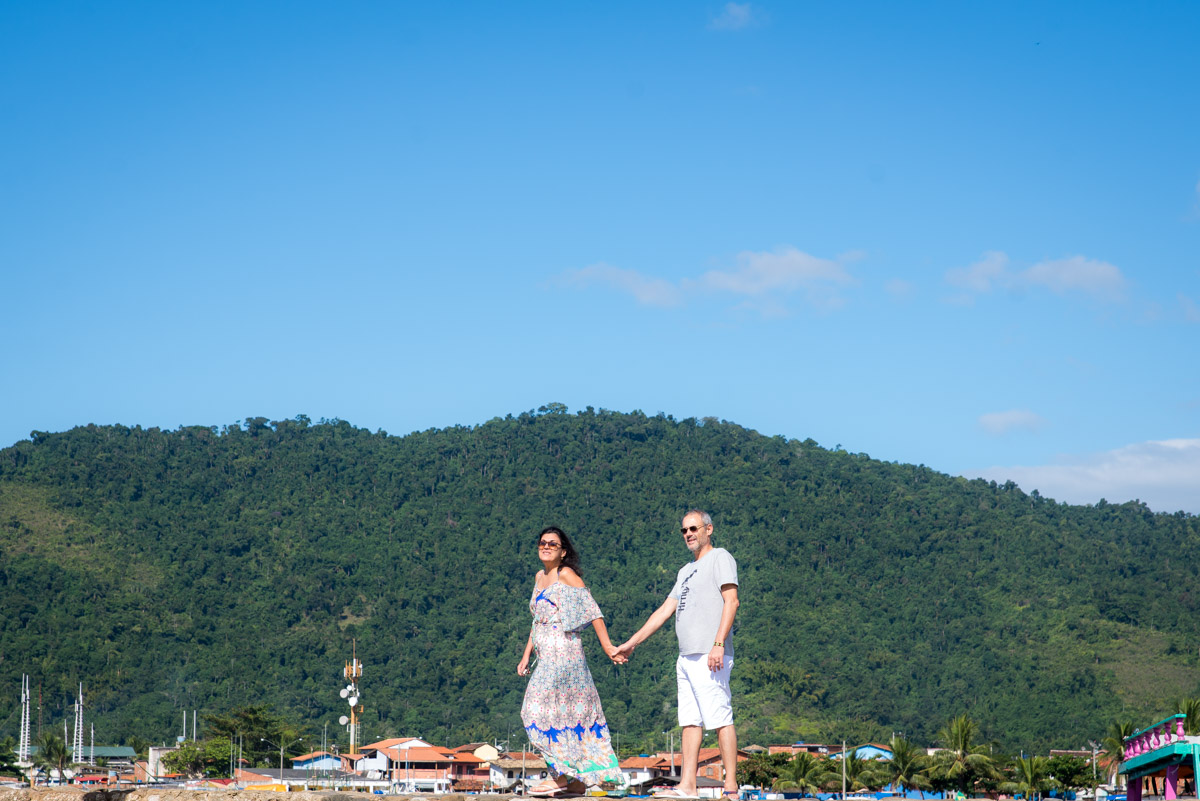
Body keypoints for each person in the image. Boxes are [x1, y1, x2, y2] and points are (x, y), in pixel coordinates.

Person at [615, 510, 740, 800]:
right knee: (690, 721)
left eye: (693, 528)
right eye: (684, 530)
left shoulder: (720, 557)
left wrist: (718, 643)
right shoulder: (685, 571)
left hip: (711, 654)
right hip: (685, 657)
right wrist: (632, 643)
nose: (688, 534)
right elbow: (664, 611)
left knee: (721, 718)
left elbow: (731, 601)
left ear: (709, 529)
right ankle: (687, 786)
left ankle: (731, 788)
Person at [518, 526, 627, 796]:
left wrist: (607, 646)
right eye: (542, 543)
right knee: (560, 715)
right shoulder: (539, 576)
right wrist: (526, 655)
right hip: (546, 657)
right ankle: (576, 782)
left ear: (563, 551)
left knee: (533, 710)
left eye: (552, 544)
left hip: (565, 655)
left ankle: (562, 775)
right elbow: (537, 621)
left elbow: (592, 610)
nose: (545, 547)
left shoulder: (565, 575)